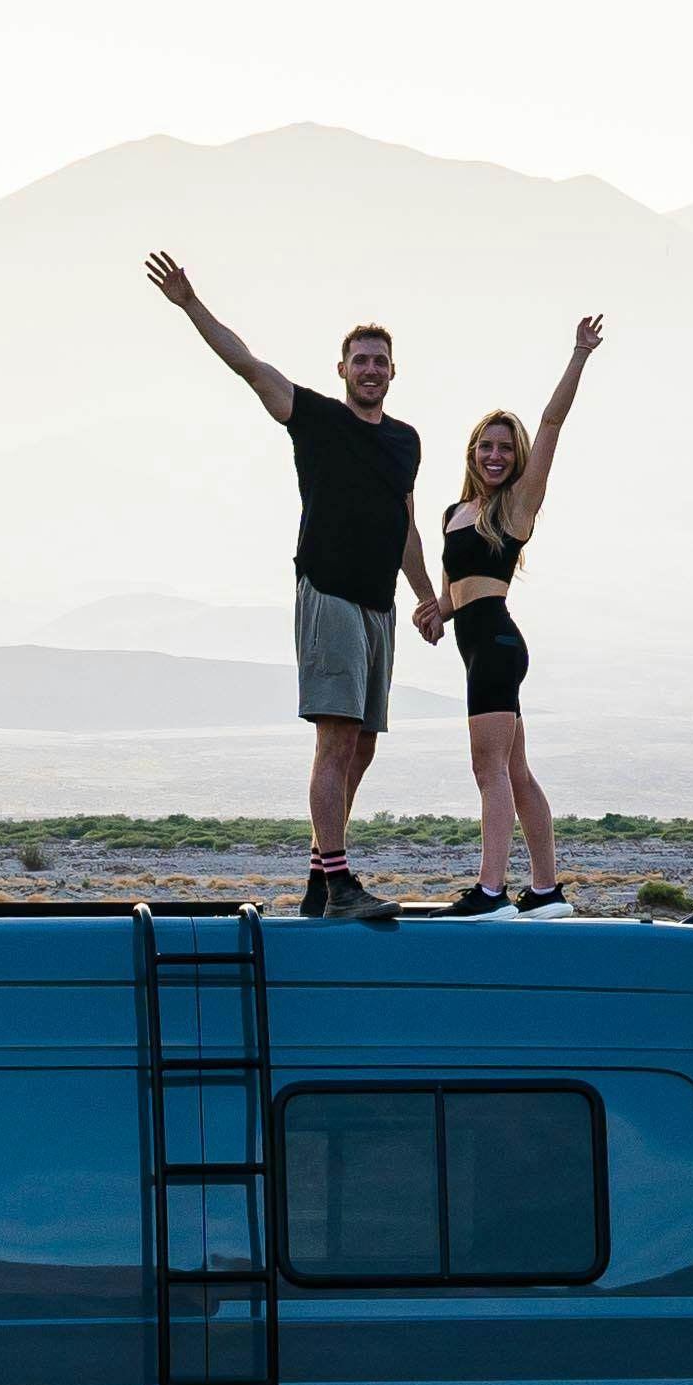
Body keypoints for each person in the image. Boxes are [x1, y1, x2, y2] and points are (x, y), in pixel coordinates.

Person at [144, 252, 436, 919]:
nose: (369, 369)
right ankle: (338, 884)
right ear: (342, 369)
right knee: (335, 741)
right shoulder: (314, 417)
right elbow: (246, 363)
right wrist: (191, 303)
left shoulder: (405, 442)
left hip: (378, 608)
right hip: (329, 594)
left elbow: (406, 525)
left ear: (393, 372)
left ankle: (317, 880)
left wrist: (423, 596)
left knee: (362, 747)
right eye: (359, 359)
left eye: (379, 360)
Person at [419, 315, 603, 913]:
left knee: (488, 767)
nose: (495, 454)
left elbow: (551, 422)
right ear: (472, 452)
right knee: (516, 772)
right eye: (486, 445)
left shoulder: (518, 506)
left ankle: (491, 891)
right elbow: (454, 591)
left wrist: (577, 354)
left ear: (516, 456)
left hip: (497, 644)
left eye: (505, 447)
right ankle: (547, 890)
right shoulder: (453, 512)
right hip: (475, 645)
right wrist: (435, 612)